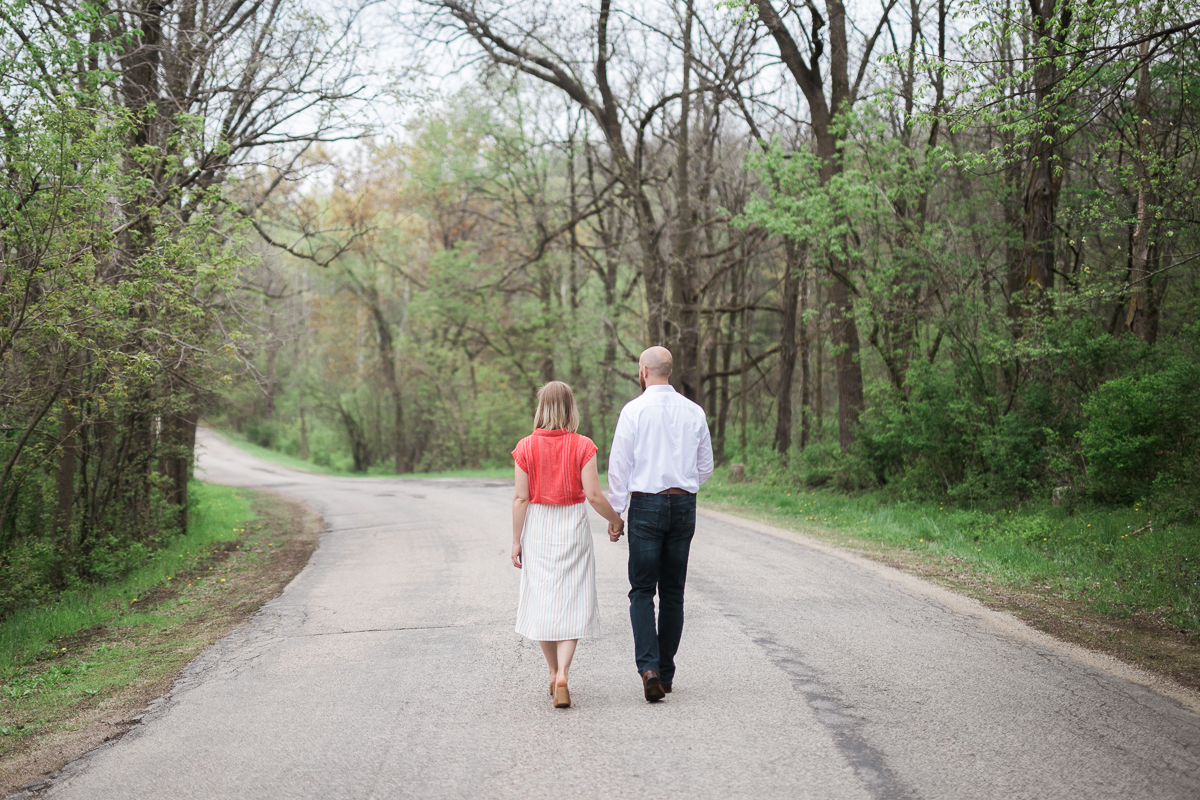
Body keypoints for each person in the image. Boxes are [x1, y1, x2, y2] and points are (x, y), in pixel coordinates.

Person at [606, 346, 714, 702]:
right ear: (669, 371)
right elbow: (706, 466)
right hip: (683, 504)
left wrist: (616, 514)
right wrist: (683, 483)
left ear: (643, 371)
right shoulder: (694, 411)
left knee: (641, 589)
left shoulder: (634, 410)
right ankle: (665, 673)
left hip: (647, 505)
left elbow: (619, 466)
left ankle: (649, 668)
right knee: (672, 591)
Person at [511, 381, 625, 709]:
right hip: (572, 526)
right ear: (570, 408)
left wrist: (516, 541)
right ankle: (563, 673)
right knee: (572, 600)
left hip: (539, 528)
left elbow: (521, 498)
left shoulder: (525, 447)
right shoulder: (583, 445)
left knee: (542, 599)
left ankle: (551, 670)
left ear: (540, 408)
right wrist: (615, 520)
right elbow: (593, 495)